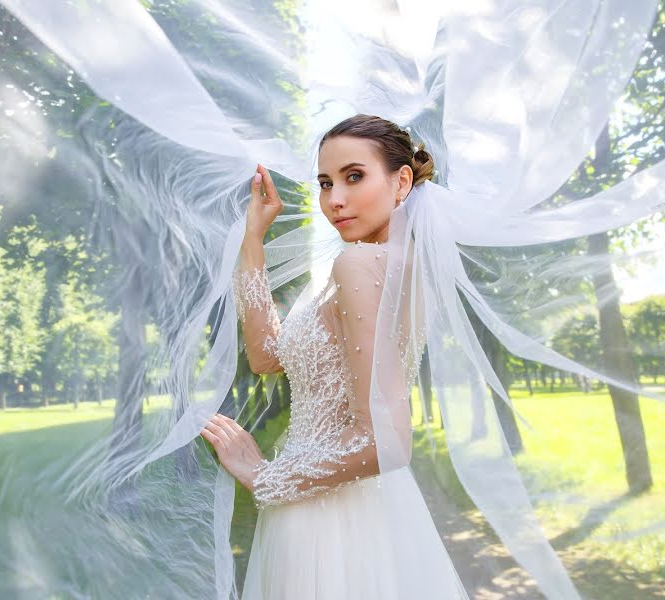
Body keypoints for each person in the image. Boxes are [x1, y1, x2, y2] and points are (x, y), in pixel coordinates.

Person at [199, 115, 471, 599]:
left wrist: (266, 477)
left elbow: (384, 438)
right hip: (355, 509)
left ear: (402, 180)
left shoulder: (359, 264)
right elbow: (265, 358)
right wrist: (253, 241)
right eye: (325, 183)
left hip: (327, 521)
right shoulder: (392, 265)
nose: (335, 200)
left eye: (354, 176)